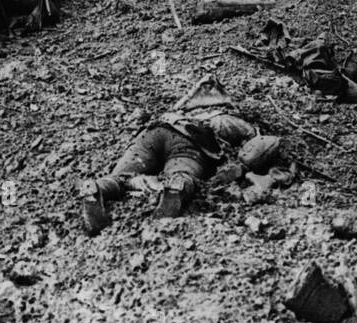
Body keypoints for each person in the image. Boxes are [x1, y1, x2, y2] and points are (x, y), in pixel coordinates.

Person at [79, 76, 279, 234]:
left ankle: (98, 189)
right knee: (183, 175)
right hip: (187, 143)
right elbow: (258, 146)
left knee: (121, 177)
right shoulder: (228, 119)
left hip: (154, 132)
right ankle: (175, 189)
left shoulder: (181, 109)